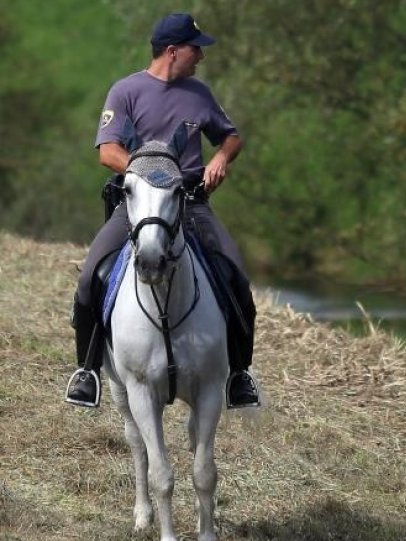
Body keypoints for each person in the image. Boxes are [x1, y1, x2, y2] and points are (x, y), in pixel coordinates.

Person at [64, 13, 260, 409]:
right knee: (90, 278)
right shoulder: (125, 91)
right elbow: (108, 152)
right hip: (136, 206)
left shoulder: (199, 93)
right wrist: (150, 174)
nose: (201, 57)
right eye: (195, 48)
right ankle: (86, 370)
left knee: (237, 277)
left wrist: (221, 157)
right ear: (173, 51)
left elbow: (232, 137)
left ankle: (239, 375)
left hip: (191, 204)